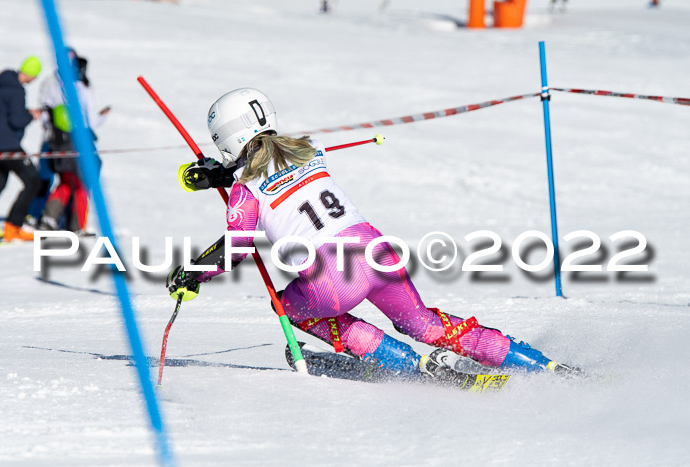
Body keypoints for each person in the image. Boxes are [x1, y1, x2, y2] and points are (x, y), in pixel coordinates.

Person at [166, 88, 579, 379]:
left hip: (330, 278)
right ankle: (539, 365)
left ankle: (408, 366)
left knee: (288, 308)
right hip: (375, 251)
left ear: (225, 139)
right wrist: (219, 173)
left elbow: (235, 249)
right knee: (423, 324)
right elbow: (272, 159)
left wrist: (191, 273)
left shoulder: (244, 190)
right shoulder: (312, 148)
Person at [35, 49, 109, 233]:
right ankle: (76, 226)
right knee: (83, 184)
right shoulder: (83, 90)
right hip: (80, 143)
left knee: (66, 182)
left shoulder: (54, 87)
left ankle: (49, 218)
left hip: (57, 143)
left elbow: (45, 118)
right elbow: (91, 122)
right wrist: (103, 116)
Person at [0, 56, 43, 242]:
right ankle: (14, 225)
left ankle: (14, 225)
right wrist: (32, 115)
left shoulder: (2, 83)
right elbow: (16, 120)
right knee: (33, 181)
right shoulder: (17, 90)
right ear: (30, 73)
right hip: (9, 145)